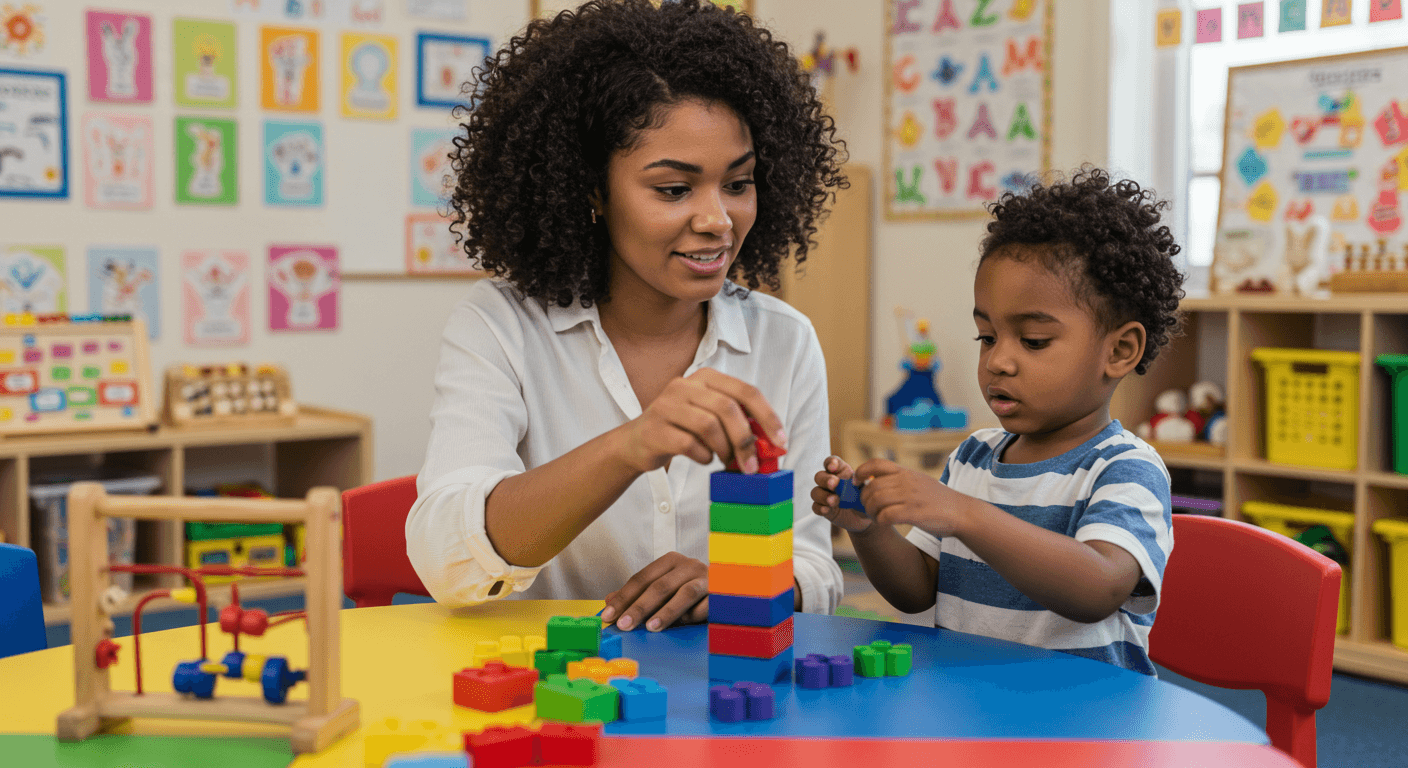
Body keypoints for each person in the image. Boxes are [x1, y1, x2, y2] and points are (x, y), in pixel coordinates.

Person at [407, 0, 847, 633]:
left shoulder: (785, 341)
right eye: (673, 189)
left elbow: (815, 563)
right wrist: (631, 445)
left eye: (738, 183)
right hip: (550, 699)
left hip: (716, 698)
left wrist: (744, 584)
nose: (717, 220)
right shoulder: (503, 326)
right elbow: (444, 559)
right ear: (591, 190)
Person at [813, 168, 1183, 675]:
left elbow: (1098, 587)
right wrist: (868, 529)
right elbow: (917, 590)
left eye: (1032, 341)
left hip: (1083, 727)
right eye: (987, 337)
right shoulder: (974, 457)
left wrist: (963, 514)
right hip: (971, 713)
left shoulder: (1124, 468)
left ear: (1119, 350)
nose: (998, 362)